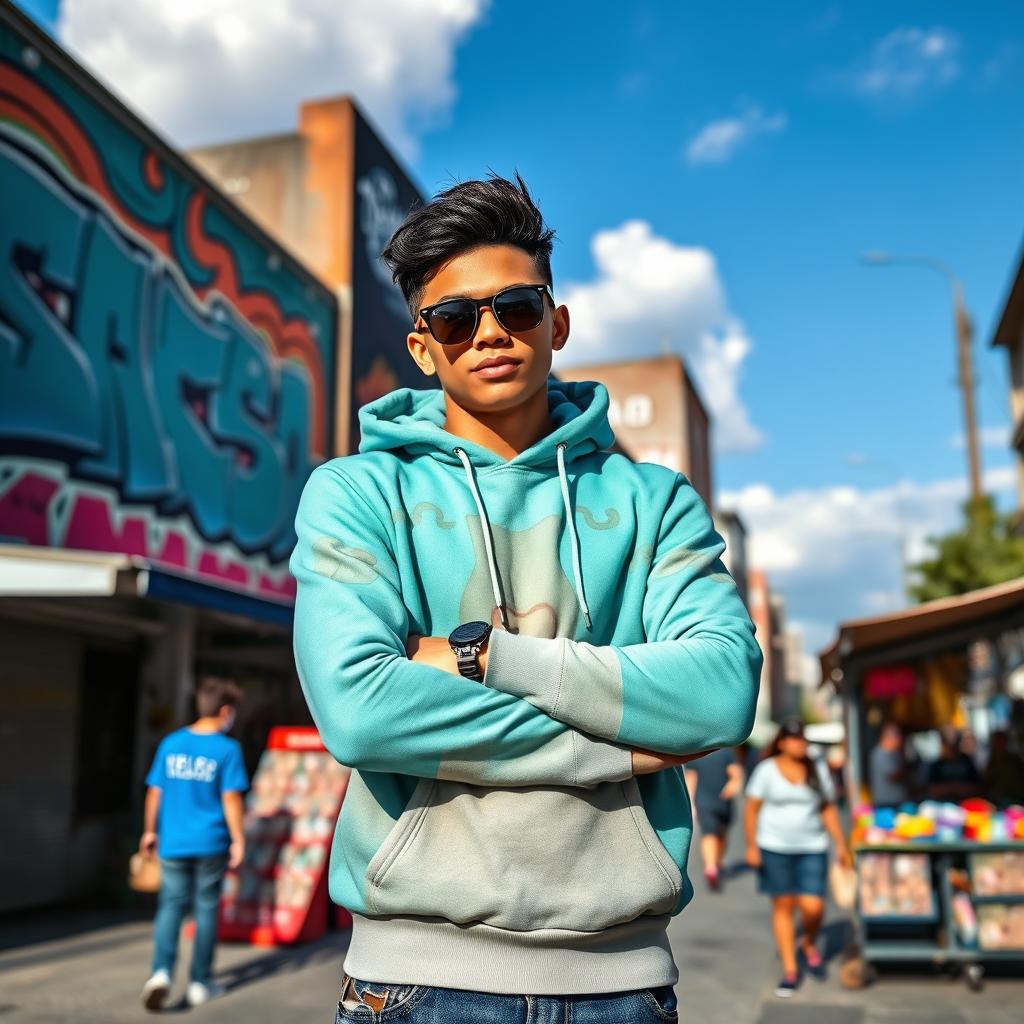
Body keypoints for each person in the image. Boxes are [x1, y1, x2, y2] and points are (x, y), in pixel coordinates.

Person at [291, 174, 762, 1021]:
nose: (489, 334)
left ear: (558, 322)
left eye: (516, 306)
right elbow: (361, 712)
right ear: (424, 347)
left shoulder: (653, 501)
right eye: (455, 318)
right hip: (415, 981)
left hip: (623, 983)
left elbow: (720, 694)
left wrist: (485, 658)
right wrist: (622, 744)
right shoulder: (357, 493)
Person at [139, 677, 248, 1012]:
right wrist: (239, 839)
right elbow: (230, 799)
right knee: (205, 909)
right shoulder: (227, 749)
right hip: (211, 843)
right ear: (225, 711)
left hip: (172, 841)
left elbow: (154, 792)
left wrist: (149, 831)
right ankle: (201, 981)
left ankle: (160, 973)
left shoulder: (171, 744)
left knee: (170, 906)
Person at [744, 718, 851, 999]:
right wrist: (752, 846)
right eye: (793, 738)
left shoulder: (816, 768)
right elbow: (752, 808)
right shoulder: (767, 770)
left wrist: (841, 844)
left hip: (812, 845)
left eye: (802, 738)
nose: (799, 743)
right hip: (774, 846)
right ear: (781, 742)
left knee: (813, 906)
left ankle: (809, 944)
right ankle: (790, 969)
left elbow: (827, 807)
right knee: (783, 905)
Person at [686, 746, 744, 890]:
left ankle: (714, 865)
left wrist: (691, 803)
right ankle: (712, 866)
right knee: (713, 834)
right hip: (718, 801)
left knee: (715, 834)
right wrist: (733, 785)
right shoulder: (726, 752)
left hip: (708, 801)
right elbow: (735, 775)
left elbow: (690, 778)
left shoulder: (695, 751)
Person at [926, 726, 982, 802]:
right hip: (943, 805)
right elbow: (932, 790)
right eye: (948, 743)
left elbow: (977, 787)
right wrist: (953, 787)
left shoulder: (967, 761)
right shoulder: (937, 764)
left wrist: (954, 788)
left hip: (966, 805)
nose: (952, 748)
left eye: (953, 744)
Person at [869, 722, 916, 809]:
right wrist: (907, 772)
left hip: (897, 802)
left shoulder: (894, 753)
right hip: (886, 803)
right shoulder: (881, 754)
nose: (900, 741)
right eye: (898, 738)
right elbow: (894, 775)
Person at [984, 730, 1024, 807]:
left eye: (1000, 741)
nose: (998, 745)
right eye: (996, 742)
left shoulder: (1014, 760)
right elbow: (987, 781)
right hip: (995, 799)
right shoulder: (992, 761)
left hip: (1014, 798)